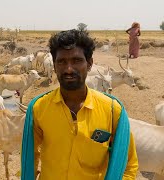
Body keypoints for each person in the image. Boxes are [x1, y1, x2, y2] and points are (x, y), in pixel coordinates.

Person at [21, 29, 138, 180]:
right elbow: (29, 159)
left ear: (89, 64)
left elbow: (129, 164)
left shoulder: (112, 110)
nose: (69, 69)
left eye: (76, 61)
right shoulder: (39, 108)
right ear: (54, 66)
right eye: (62, 62)